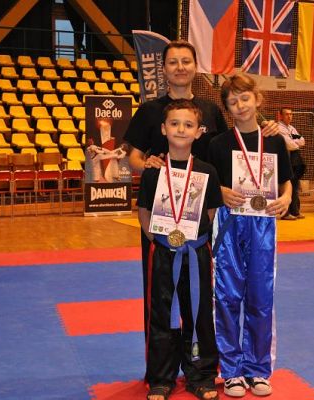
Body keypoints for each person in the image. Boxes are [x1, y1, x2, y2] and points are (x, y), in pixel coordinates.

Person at [124, 39, 279, 336]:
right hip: (162, 214)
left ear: (196, 67)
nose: (180, 67)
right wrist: (147, 166)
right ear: (164, 68)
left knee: (200, 288)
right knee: (159, 291)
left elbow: (234, 148)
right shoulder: (149, 111)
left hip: (203, 215)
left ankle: (198, 354)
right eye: (173, 62)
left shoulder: (210, 110)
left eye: (186, 61)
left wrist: (266, 129)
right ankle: (161, 359)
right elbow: (133, 157)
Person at [208, 72, 292, 398]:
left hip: (263, 224)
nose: (240, 105)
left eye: (245, 98)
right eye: (233, 102)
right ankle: (231, 370)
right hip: (229, 223)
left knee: (260, 296)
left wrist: (286, 198)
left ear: (257, 99)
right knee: (227, 296)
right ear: (227, 108)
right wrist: (220, 191)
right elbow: (208, 182)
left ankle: (257, 368)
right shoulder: (218, 144)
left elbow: (285, 180)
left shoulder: (274, 140)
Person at [138, 99, 223, 400]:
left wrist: (192, 240)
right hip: (163, 253)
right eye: (174, 123)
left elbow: (210, 212)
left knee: (199, 312)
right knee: (162, 314)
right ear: (163, 129)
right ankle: (162, 377)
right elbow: (144, 212)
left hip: (196, 252)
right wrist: (160, 241)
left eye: (188, 124)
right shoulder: (153, 172)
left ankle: (201, 375)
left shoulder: (207, 171)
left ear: (199, 132)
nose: (181, 129)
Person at [278, 107, 306, 220]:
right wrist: (296, 143)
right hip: (285, 160)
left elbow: (302, 140)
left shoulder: (291, 128)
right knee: (286, 186)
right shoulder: (279, 128)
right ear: (281, 116)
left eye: (291, 114)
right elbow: (289, 145)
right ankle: (285, 213)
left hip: (294, 161)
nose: (289, 116)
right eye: (287, 114)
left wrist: (295, 143)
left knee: (295, 185)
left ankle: (295, 211)